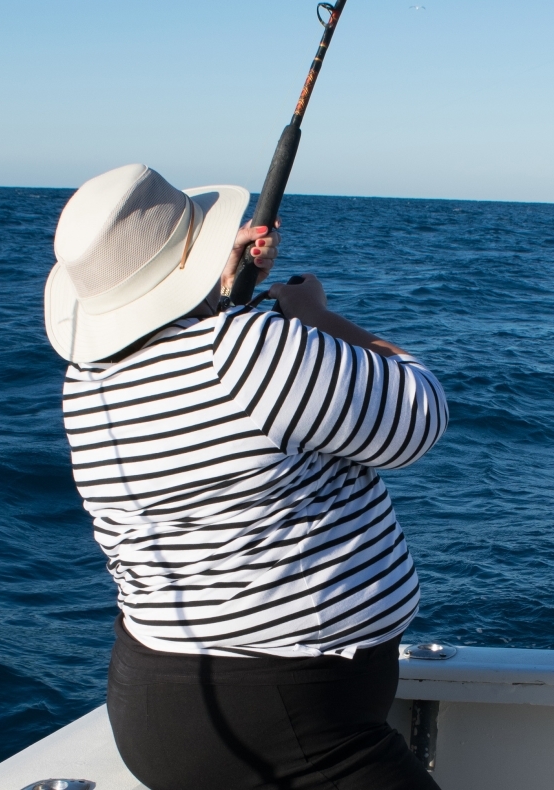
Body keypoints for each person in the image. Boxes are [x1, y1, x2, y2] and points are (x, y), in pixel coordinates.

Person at [43, 164, 448, 790]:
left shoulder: (86, 378)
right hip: (288, 716)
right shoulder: (245, 350)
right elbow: (420, 413)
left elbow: (204, 399)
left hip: (153, 696)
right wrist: (317, 316)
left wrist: (217, 289)